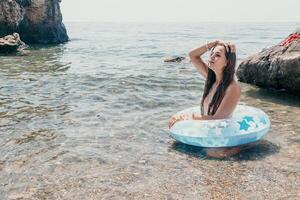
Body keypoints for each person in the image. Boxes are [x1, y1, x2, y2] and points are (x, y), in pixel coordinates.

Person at [168, 40, 242, 158]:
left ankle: (246, 145)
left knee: (215, 154)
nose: (212, 57)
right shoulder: (211, 79)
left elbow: (219, 118)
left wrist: (188, 117)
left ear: (228, 62)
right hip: (208, 128)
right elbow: (193, 55)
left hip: (222, 130)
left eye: (217, 55)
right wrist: (213, 43)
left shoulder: (232, 88)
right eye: (211, 53)